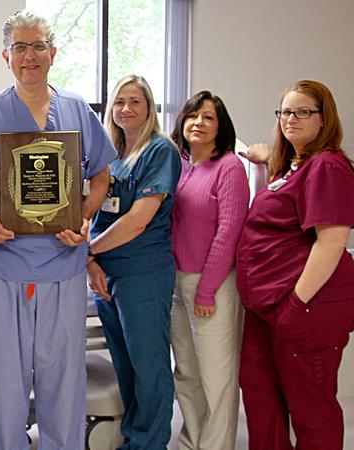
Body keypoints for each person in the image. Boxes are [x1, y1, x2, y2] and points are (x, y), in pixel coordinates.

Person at [0, 10, 116, 449]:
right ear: (5, 56)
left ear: (53, 53)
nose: (29, 56)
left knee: (63, 377)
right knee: (4, 379)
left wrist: (83, 218)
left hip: (63, 265)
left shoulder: (76, 110)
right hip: (4, 266)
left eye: (38, 46)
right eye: (20, 47)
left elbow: (102, 175)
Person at [236, 80, 354, 450]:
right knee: (260, 395)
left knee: (311, 408)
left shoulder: (328, 166)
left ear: (324, 118)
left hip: (304, 307)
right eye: (286, 111)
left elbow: (332, 241)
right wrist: (264, 158)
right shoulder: (291, 167)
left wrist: (296, 304)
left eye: (304, 111)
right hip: (267, 309)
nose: (292, 118)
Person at [87, 74, 181, 449]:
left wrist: (89, 252)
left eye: (135, 102)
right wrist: (91, 263)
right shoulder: (111, 154)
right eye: (120, 101)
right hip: (108, 274)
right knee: (124, 365)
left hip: (143, 273)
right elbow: (96, 214)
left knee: (150, 366)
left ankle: (150, 441)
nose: (126, 109)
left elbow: (138, 218)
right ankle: (133, 436)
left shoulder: (160, 150)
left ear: (149, 108)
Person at [169, 90, 248, 450]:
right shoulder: (180, 164)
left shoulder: (228, 166)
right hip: (175, 285)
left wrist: (205, 291)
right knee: (186, 374)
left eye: (208, 117)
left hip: (211, 287)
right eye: (192, 116)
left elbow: (229, 230)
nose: (198, 123)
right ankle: (191, 441)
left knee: (216, 380)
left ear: (220, 127)